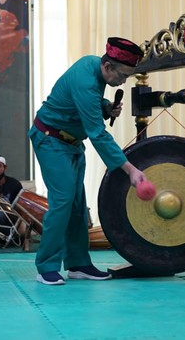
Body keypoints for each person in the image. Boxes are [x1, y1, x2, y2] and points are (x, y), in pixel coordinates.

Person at [29, 37, 154, 285]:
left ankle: (78, 264)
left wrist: (106, 106)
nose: (123, 81)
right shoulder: (87, 80)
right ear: (108, 66)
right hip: (50, 140)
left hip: (72, 144)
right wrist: (129, 169)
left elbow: (88, 101)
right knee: (62, 202)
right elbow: (97, 133)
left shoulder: (93, 66)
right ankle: (46, 266)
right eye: (123, 75)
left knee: (77, 205)